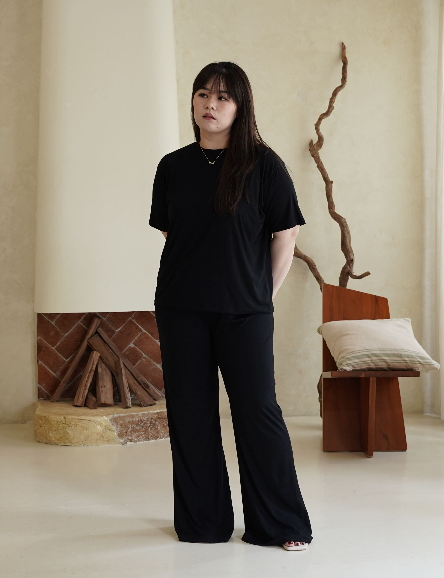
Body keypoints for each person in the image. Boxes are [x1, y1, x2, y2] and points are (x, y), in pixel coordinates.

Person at [149, 62, 313, 552]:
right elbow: (173, 233)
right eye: (203, 94)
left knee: (257, 411)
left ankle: (280, 524)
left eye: (223, 97)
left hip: (245, 312)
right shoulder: (172, 166)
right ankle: (203, 523)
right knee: (190, 414)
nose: (211, 104)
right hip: (181, 308)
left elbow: (286, 234)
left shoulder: (264, 165)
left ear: (240, 107)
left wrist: (262, 295)